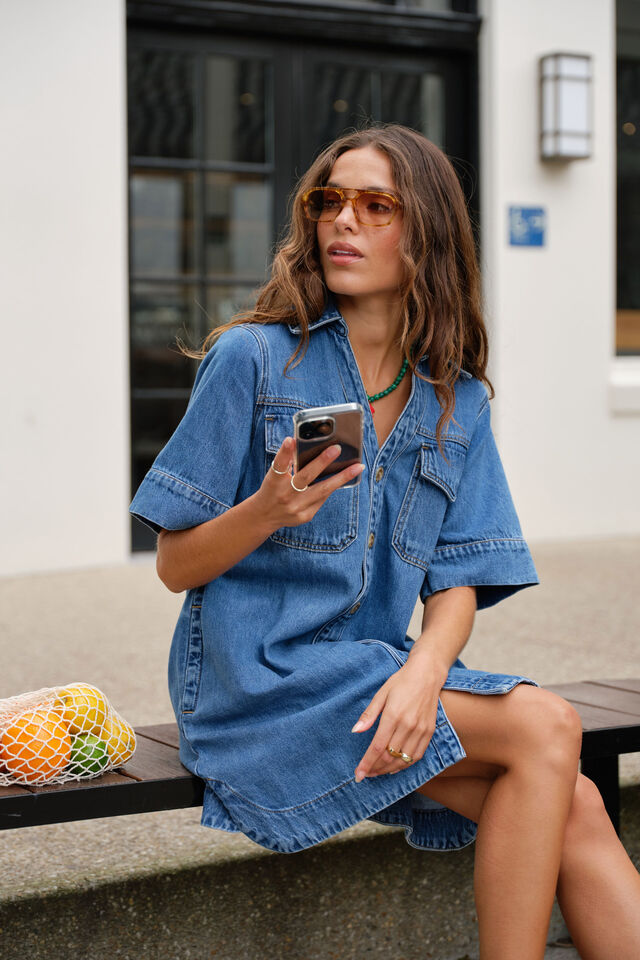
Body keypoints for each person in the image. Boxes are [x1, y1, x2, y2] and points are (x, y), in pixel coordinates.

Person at [130, 124, 640, 959]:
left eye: (376, 206)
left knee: (575, 801)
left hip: (376, 677)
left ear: (427, 234)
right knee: (548, 729)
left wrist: (424, 672)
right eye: (330, 202)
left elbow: (460, 581)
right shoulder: (253, 360)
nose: (343, 223)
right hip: (256, 690)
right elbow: (174, 565)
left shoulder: (456, 398)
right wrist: (265, 511)